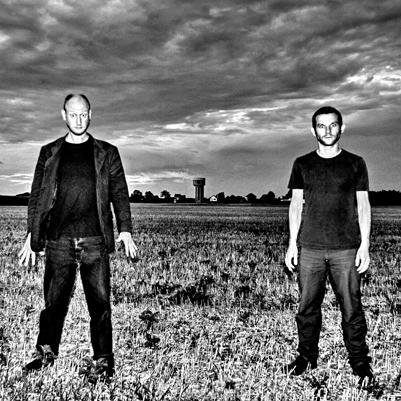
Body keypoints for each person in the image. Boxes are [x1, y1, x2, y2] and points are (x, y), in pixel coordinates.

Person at [18, 94, 137, 380]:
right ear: (63, 115)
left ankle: (104, 360)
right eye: (73, 114)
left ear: (90, 114)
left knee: (100, 304)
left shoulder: (107, 152)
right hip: (58, 240)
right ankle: (45, 353)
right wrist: (32, 236)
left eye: (83, 114)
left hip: (95, 240)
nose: (79, 120)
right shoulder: (49, 153)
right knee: (53, 304)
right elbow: (37, 197)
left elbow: (119, 192)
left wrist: (125, 229)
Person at [284, 106, 373, 384]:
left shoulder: (355, 163)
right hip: (310, 248)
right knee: (307, 308)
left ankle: (359, 362)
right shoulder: (302, 164)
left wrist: (365, 245)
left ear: (342, 128)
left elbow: (363, 206)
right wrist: (292, 244)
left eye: (333, 125)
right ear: (313, 131)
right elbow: (296, 205)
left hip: (345, 249)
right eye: (321, 126)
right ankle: (306, 357)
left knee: (352, 308)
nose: (327, 131)